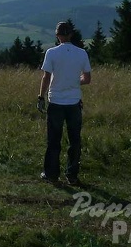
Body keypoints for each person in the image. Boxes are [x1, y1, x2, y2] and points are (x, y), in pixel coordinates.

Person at [37, 21, 91, 185]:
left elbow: (46, 77)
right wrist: (74, 81)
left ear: (57, 35)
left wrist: (41, 97)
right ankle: (72, 175)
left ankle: (51, 174)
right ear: (71, 35)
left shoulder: (51, 53)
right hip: (74, 102)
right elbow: (87, 79)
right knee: (75, 140)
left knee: (54, 140)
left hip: (56, 101)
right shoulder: (81, 53)